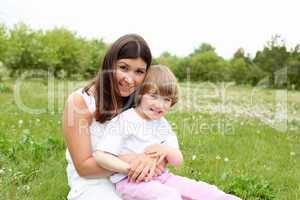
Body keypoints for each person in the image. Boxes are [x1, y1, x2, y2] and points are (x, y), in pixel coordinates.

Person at [93, 65, 242, 200]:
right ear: (139, 94)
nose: (159, 105)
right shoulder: (124, 121)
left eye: (167, 99)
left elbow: (178, 161)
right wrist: (132, 168)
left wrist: (165, 150)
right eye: (153, 96)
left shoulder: (162, 124)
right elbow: (101, 156)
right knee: (168, 196)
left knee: (206, 192)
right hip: (131, 181)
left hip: (163, 177)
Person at [63, 34, 166, 200]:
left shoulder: (140, 104)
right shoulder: (80, 102)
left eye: (139, 71)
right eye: (124, 68)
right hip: (94, 183)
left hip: (132, 179)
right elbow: (84, 167)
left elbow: (159, 147)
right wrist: (132, 162)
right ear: (110, 65)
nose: (129, 79)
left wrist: (153, 160)